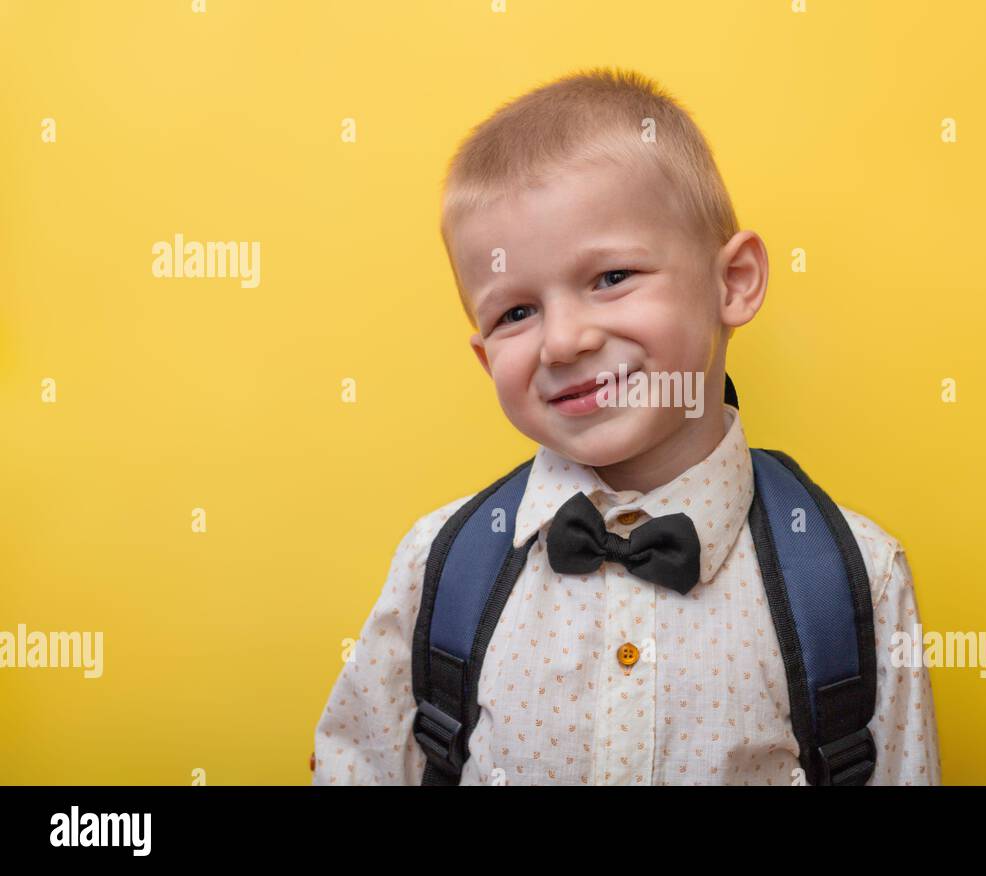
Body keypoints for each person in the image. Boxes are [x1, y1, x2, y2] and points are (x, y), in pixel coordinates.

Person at [312, 67, 940, 785]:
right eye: (516, 312)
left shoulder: (857, 575)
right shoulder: (438, 566)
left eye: (610, 277)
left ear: (732, 283)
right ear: (487, 360)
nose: (563, 342)